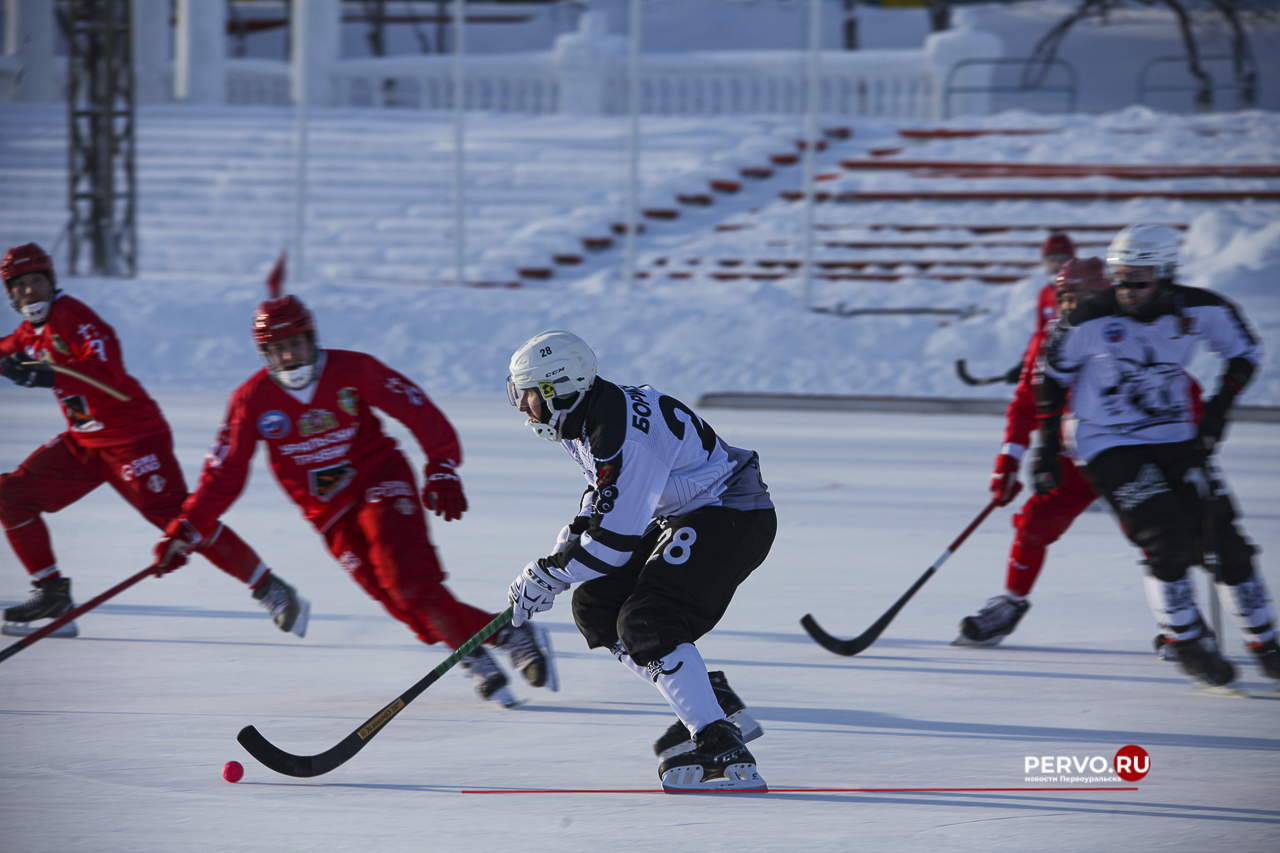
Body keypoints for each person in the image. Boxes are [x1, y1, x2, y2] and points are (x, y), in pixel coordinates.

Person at [155, 293, 553, 707]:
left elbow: (417, 408)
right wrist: (187, 527)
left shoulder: (352, 369)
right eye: (278, 350)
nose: (291, 357)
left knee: (410, 583)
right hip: (329, 515)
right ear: (265, 355)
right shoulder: (251, 400)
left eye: (297, 344)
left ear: (312, 339)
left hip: (379, 482)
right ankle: (508, 633)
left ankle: (474, 659)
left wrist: (441, 464)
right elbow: (224, 474)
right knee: (405, 609)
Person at [503, 330, 775, 791]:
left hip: (729, 512)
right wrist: (551, 562)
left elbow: (613, 544)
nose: (523, 408)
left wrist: (549, 576)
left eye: (526, 395)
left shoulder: (621, 432)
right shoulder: (584, 416)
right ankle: (714, 703)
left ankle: (720, 747)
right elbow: (599, 500)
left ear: (558, 388)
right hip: (688, 512)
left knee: (649, 619)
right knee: (597, 607)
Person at [0, 243, 297, 637]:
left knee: (180, 521)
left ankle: (270, 587)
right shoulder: (28, 333)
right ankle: (52, 593)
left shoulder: (73, 317)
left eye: (37, 280)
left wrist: (49, 374)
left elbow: (109, 372)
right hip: (85, 444)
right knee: (9, 494)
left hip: (135, 440)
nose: (29, 291)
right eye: (19, 285)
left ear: (51, 281)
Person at [1035, 223, 1279, 690]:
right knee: (1168, 538)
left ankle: (1266, 644)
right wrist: (1045, 451)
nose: (1126, 290)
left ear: (1166, 273)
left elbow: (1246, 352)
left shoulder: (1201, 308)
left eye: (1138, 280)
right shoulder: (1089, 318)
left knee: (1225, 541)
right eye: (1119, 278)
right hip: (1105, 438)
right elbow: (1050, 378)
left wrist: (1215, 415)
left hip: (1174, 435)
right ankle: (1186, 640)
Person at [954, 258, 1113, 646]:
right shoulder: (1048, 338)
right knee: (1032, 526)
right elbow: (1026, 403)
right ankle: (1011, 603)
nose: (1068, 305)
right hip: (1071, 460)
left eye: (1077, 295)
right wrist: (1008, 461)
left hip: (1127, 454)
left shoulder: (1127, 333)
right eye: (1063, 296)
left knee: (1159, 537)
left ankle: (1177, 622)